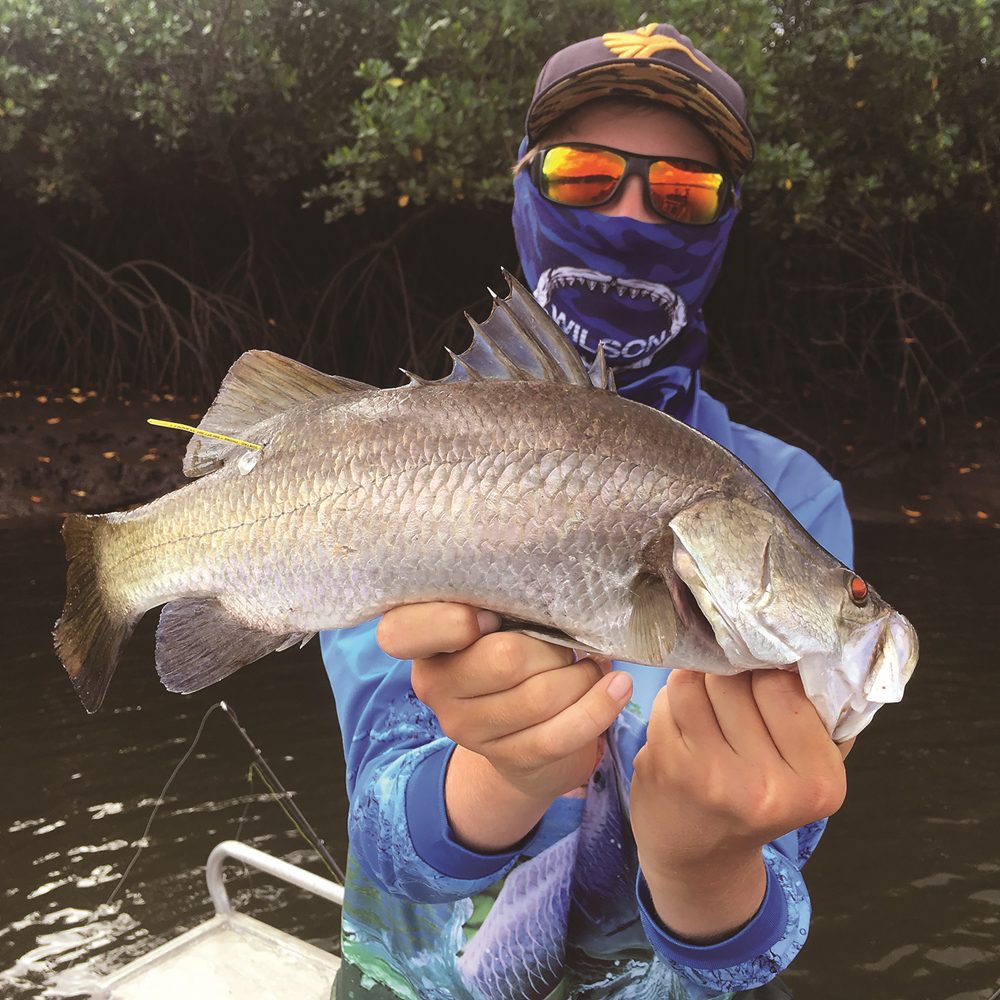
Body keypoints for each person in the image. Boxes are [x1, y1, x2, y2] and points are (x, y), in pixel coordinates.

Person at [321, 21, 854, 1000]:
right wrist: (502, 777)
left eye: (682, 191)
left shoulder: (796, 506)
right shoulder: (390, 467)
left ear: (723, 222)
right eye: (581, 174)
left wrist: (705, 869)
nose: (631, 211)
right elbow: (380, 832)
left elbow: (758, 918)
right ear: (524, 185)